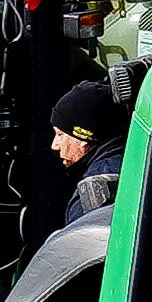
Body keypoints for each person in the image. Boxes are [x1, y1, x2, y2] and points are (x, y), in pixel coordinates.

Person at [48, 78, 125, 225]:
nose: (55, 145)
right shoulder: (135, 160)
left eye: (60, 135)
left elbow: (81, 245)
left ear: (84, 136)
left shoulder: (96, 192)